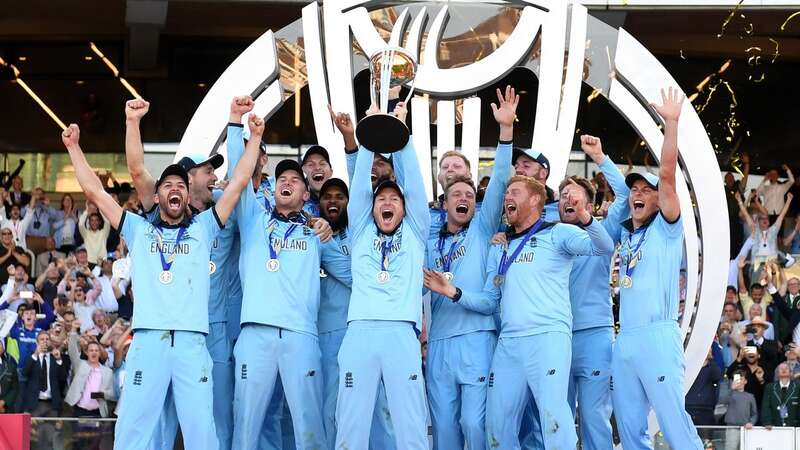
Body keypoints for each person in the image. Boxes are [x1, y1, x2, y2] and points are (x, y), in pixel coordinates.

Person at [61, 117, 257, 450]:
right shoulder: (138, 229)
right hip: (149, 342)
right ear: (158, 194)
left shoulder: (203, 228)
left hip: (192, 345)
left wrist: (256, 138)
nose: (175, 189)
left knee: (202, 435)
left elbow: (238, 183)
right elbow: (94, 190)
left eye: (181, 185)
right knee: (133, 433)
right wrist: (73, 147)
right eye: (168, 185)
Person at [427, 166, 615, 450]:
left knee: (554, 420)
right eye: (505, 194)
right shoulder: (499, 246)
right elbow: (489, 301)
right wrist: (453, 292)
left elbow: (603, 247)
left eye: (514, 192)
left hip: (548, 336)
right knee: (497, 427)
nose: (506, 198)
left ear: (535, 200)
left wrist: (585, 217)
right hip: (509, 343)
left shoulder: (558, 233)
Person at [226, 118, 349, 448]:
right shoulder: (253, 219)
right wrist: (238, 126)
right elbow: (240, 173)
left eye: (295, 179)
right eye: (282, 178)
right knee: (247, 425)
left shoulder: (315, 233)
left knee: (309, 424)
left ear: (305, 193)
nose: (287, 182)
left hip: (300, 336)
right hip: (255, 334)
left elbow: (353, 275)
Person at [608, 88, 703, 450]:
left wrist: (672, 124)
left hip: (658, 338)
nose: (638, 193)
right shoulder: (626, 235)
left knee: (674, 424)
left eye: (645, 190)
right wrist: (601, 160)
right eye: (634, 188)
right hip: (625, 340)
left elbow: (666, 175)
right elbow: (619, 192)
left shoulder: (666, 229)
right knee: (630, 431)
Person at [420, 86, 515, 450]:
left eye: (469, 195)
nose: (464, 198)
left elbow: (501, 179)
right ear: (443, 202)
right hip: (441, 344)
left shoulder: (481, 230)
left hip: (477, 340)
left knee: (475, 427)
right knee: (444, 432)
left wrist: (505, 132)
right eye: (456, 194)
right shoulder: (430, 240)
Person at [334, 100, 431, 449]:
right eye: (381, 200)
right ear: (372, 208)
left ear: (404, 209)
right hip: (359, 331)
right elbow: (360, 185)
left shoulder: (417, 230)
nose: (386, 203)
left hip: (401, 333)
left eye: (394, 199)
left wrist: (400, 134)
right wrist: (371, 129)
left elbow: (416, 184)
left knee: (410, 424)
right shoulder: (361, 229)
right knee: (350, 423)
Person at [561, 134, 630, 450]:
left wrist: (601, 157)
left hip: (595, 336)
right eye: (564, 197)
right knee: (557, 419)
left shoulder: (604, 230)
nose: (568, 201)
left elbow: (626, 195)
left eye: (575, 197)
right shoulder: (548, 235)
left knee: (593, 417)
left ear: (589, 206)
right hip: (555, 337)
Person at [64, 320, 117, 417]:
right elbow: (72, 350)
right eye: (91, 350)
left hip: (98, 412)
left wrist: (102, 394)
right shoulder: (80, 365)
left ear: (99, 353)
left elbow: (113, 394)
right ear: (87, 353)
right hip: (79, 410)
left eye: (96, 350)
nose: (94, 352)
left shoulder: (107, 372)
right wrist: (73, 330)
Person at [719, 370, 758, 449]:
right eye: (737, 379)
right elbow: (722, 401)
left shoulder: (750, 396)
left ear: (745, 381)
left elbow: (754, 413)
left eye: (741, 379)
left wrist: (751, 422)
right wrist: (732, 389)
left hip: (746, 428)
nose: (739, 381)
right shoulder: (731, 394)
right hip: (731, 428)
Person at [685, 351, 722, 426]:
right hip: (689, 406)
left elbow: (718, 376)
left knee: (706, 436)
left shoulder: (711, 366)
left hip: (706, 408)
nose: (709, 350)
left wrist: (710, 360)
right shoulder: (689, 364)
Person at [761, 362, 800, 427]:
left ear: (791, 372)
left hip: (795, 427)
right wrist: (767, 422)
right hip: (774, 427)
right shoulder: (769, 387)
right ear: (777, 373)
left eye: (786, 368)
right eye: (781, 368)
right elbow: (766, 407)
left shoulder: (798, 387)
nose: (783, 370)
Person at [25, 188, 60, 255]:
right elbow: (22, 213)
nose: (38, 196)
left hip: (44, 240)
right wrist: (32, 202)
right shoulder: (29, 207)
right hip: (30, 239)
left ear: (43, 196)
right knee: (30, 259)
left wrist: (47, 206)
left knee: (42, 261)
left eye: (40, 195)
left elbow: (56, 216)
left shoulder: (47, 209)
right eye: (37, 194)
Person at [0, 339, 19, 414]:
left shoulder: (10, 367)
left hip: (6, 409)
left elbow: (15, 388)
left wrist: (4, 402)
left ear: (3, 348)